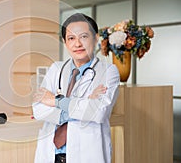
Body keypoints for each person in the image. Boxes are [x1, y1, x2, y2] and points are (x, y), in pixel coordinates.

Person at [32, 13, 120, 163]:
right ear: (64, 42)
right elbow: (38, 109)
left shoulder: (108, 71)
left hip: (87, 154)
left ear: (96, 38)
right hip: (51, 154)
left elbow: (98, 112)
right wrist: (84, 104)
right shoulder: (56, 69)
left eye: (84, 36)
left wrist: (56, 101)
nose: (77, 44)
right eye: (71, 38)